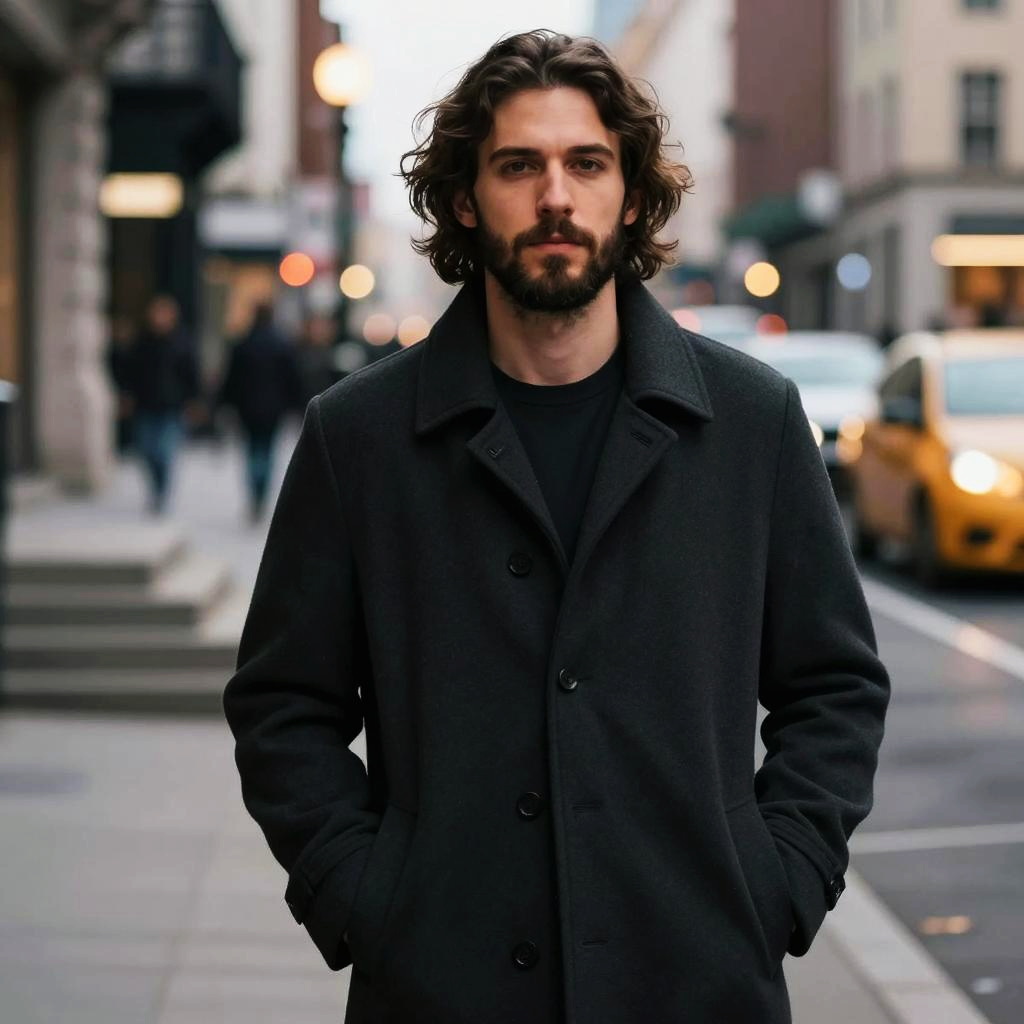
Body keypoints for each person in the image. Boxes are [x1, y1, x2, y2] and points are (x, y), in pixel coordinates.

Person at [222, 30, 890, 1024]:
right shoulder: (357, 437)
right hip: (440, 987)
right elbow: (282, 706)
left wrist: (777, 876)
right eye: (516, 166)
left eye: (586, 163)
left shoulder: (750, 424)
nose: (554, 198)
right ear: (462, 197)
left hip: (699, 979)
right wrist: (363, 892)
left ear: (628, 194)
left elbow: (833, 686)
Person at [217, 301, 304, 523]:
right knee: (266, 451)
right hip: (274, 409)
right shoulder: (282, 345)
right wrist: (297, 405)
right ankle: (260, 494)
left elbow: (230, 379)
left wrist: (224, 404)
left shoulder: (243, 344)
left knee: (251, 451)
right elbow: (293, 379)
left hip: (247, 408)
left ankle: (256, 494)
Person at [125, 295, 200, 514]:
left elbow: (191, 374)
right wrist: (128, 396)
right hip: (145, 405)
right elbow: (130, 372)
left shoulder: (182, 342)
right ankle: (156, 488)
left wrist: (193, 401)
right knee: (146, 451)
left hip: (172, 406)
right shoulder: (142, 342)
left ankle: (161, 492)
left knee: (165, 452)